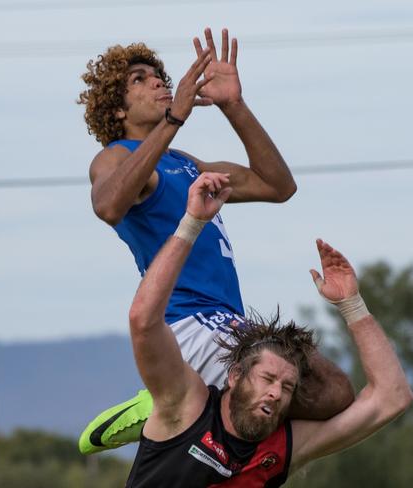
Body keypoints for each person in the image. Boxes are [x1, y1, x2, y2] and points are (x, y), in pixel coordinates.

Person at [77, 28, 354, 454]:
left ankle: (173, 403)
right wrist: (173, 121)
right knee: (308, 397)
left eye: (158, 74)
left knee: (335, 389)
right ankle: (163, 404)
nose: (158, 81)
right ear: (116, 110)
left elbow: (277, 185)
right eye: (139, 78)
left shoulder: (184, 163)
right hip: (186, 322)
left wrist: (234, 106)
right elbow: (110, 204)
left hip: (228, 317)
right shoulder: (114, 155)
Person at [124, 172, 413, 486]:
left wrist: (352, 305)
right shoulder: (187, 407)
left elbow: (392, 397)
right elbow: (143, 320)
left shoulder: (283, 448)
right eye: (268, 379)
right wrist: (193, 222)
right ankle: (146, 404)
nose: (276, 393)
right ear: (234, 376)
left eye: (287, 388)